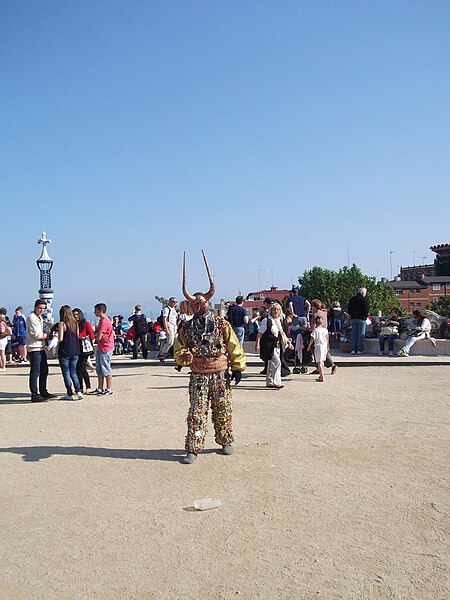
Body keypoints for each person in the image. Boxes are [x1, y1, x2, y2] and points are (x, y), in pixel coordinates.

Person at [174, 251, 246, 464]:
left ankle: (226, 440)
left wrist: (238, 367)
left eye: (202, 302)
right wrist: (184, 357)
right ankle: (193, 448)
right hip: (198, 374)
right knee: (197, 409)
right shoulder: (186, 328)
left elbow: (233, 344)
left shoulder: (221, 324)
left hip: (220, 372)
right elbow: (179, 351)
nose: (199, 305)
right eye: (195, 303)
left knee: (222, 406)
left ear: (207, 302)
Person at [255, 302, 291, 389]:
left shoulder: (280, 321)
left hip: (278, 344)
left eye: (278, 309)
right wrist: (257, 344)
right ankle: (276, 382)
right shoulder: (267, 320)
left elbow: (282, 333)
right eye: (274, 309)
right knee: (277, 362)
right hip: (269, 344)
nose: (276, 311)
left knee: (272, 363)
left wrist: (288, 341)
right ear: (271, 310)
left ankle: (270, 382)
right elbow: (260, 333)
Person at [26, 299, 54, 402]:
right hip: (34, 348)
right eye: (40, 308)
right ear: (35, 308)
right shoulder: (32, 318)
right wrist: (46, 336)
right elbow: (37, 335)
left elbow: (44, 329)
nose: (41, 310)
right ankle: (34, 394)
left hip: (40, 347)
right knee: (35, 371)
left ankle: (43, 391)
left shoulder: (39, 318)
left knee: (44, 370)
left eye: (43, 308)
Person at [58, 305, 83, 400]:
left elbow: (60, 339)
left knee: (66, 372)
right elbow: (77, 336)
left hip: (65, 349)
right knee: (73, 372)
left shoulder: (62, 324)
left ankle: (69, 392)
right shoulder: (75, 323)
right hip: (75, 350)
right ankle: (79, 391)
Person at [309, 299, 337, 375]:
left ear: (314, 307)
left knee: (317, 352)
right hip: (325, 333)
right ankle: (321, 368)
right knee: (325, 351)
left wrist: (307, 329)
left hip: (317, 335)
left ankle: (328, 366)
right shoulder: (324, 314)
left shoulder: (315, 315)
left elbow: (313, 327)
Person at [92, 303, 114, 395]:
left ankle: (109, 388)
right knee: (99, 369)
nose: (94, 312)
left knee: (105, 368)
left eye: (95, 310)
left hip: (105, 347)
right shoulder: (103, 320)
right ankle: (100, 387)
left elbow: (99, 336)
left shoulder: (104, 321)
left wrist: (97, 336)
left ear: (100, 310)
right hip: (102, 347)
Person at [73, 308, 95, 393]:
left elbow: (92, 336)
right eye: (74, 315)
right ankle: (80, 387)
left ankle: (88, 386)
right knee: (77, 368)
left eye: (77, 314)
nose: (76, 316)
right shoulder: (73, 324)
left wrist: (84, 337)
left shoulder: (86, 323)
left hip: (84, 348)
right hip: (76, 347)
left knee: (82, 368)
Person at [307, 315, 329, 382]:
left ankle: (321, 376)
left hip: (318, 346)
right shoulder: (325, 330)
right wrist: (327, 346)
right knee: (322, 361)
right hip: (324, 346)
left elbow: (312, 339)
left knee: (319, 361)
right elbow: (327, 338)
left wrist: (309, 346)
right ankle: (321, 375)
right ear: (322, 323)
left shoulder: (315, 330)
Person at [348, 287, 369, 354]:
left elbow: (349, 310)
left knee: (353, 334)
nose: (365, 294)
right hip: (361, 319)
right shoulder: (364, 300)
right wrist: (366, 315)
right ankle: (360, 349)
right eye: (365, 293)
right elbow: (366, 310)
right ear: (362, 292)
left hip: (353, 319)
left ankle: (353, 349)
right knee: (361, 334)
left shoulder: (352, 299)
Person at [159, 297, 178, 362]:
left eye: (175, 302)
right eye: (173, 301)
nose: (174, 303)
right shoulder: (166, 309)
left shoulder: (174, 309)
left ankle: (176, 356)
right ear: (169, 301)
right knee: (170, 342)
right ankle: (162, 353)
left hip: (175, 327)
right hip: (169, 326)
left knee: (176, 342)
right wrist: (166, 329)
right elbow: (164, 319)